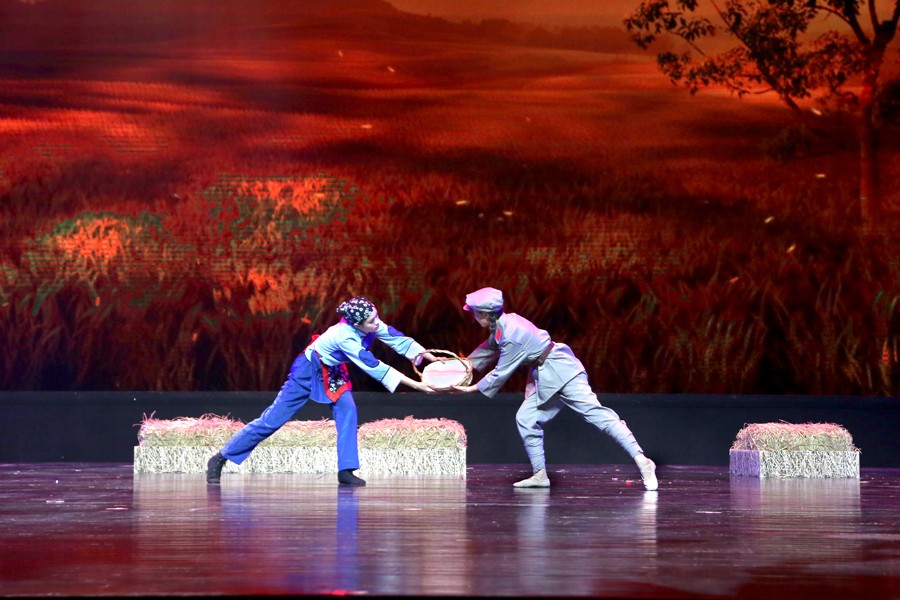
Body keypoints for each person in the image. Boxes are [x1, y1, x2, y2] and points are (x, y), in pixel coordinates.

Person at [206, 296, 440, 486]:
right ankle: (220, 458)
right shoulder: (344, 336)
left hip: (333, 371)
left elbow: (397, 339)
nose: (377, 323)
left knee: (348, 410)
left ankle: (346, 471)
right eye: (371, 321)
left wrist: (430, 357)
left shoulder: (368, 322)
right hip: (308, 370)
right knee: (272, 420)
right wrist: (418, 385)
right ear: (356, 324)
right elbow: (373, 365)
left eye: (376, 316)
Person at [452, 287, 658, 491]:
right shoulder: (503, 325)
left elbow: (501, 371)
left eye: (476, 313)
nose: (474, 317)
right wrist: (461, 366)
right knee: (526, 418)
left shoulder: (513, 333)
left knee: (598, 416)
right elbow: (489, 348)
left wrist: (470, 389)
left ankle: (643, 461)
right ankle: (540, 474)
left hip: (563, 371)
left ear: (485, 314)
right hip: (545, 375)